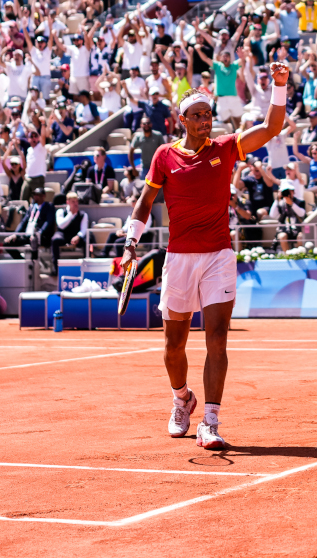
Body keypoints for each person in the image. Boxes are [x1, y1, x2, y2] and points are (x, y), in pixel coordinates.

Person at [122, 62, 291, 451]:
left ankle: (210, 421)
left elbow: (270, 128)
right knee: (173, 345)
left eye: (208, 114)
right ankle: (182, 398)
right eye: (197, 115)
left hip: (217, 256)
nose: (205, 120)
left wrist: (279, 87)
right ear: (182, 120)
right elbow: (146, 201)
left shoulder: (226, 147)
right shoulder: (165, 156)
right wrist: (132, 239)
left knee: (217, 338)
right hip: (179, 258)